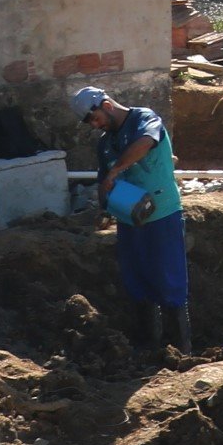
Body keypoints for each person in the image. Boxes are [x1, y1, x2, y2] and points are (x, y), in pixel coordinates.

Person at [74, 85, 190, 355]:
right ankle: (149, 348)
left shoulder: (145, 120)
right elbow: (104, 183)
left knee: (168, 279)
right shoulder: (106, 143)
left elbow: (145, 143)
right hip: (130, 218)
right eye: (89, 122)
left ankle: (182, 352)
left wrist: (117, 169)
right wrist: (105, 204)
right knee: (138, 279)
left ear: (107, 105)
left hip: (162, 213)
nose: (94, 125)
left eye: (95, 118)